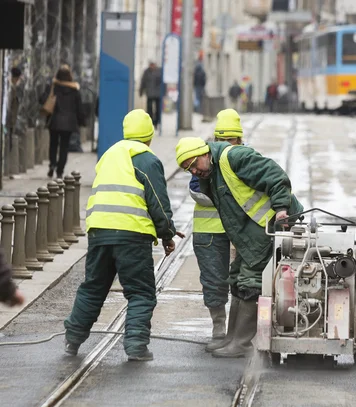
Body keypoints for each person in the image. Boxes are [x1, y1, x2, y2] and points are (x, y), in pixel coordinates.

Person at [64, 109, 182, 361]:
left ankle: (72, 339)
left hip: (99, 231)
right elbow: (158, 203)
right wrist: (167, 233)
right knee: (140, 291)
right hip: (131, 234)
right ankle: (136, 345)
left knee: (93, 287)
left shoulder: (109, 155)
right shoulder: (146, 159)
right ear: (149, 136)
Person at [175, 135, 304, 358]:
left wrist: (282, 208)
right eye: (189, 169)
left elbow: (275, 176)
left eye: (194, 164)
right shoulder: (212, 174)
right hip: (252, 230)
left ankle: (242, 343)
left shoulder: (235, 157)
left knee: (251, 279)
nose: (194, 171)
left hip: (271, 225)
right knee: (236, 276)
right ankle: (232, 338)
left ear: (205, 154)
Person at [188, 109, 244, 349]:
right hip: (209, 231)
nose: (226, 146)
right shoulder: (204, 158)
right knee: (214, 280)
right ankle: (219, 327)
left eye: (231, 141)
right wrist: (227, 198)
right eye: (222, 141)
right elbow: (195, 189)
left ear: (240, 140)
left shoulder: (246, 158)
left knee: (243, 282)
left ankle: (237, 331)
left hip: (239, 233)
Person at [45, 67, 85, 179]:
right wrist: (81, 122)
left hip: (54, 121)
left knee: (53, 144)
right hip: (69, 123)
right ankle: (60, 170)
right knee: (64, 146)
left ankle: (52, 164)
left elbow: (42, 99)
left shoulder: (53, 87)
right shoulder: (74, 90)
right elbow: (79, 108)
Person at [139, 62, 162, 127]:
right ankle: (150, 121)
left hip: (158, 94)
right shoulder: (146, 72)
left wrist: (163, 92)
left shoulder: (159, 71)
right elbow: (143, 82)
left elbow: (163, 82)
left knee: (158, 109)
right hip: (149, 93)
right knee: (149, 108)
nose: (152, 66)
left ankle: (156, 122)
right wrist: (141, 91)